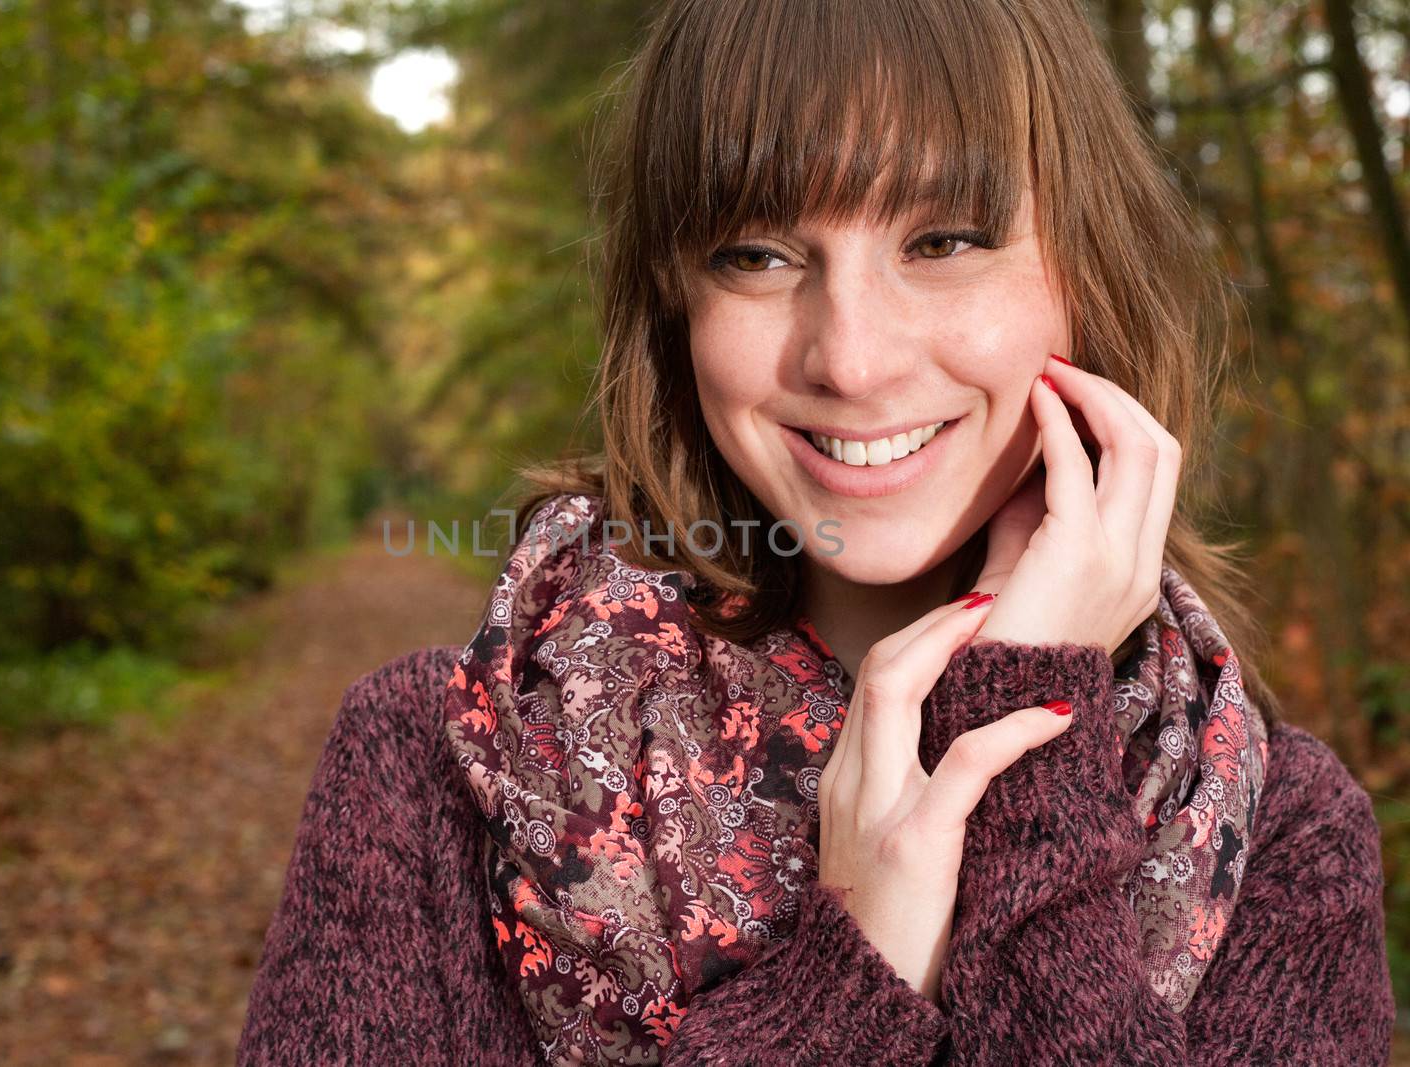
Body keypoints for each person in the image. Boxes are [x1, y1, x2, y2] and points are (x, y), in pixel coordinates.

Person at [236, 1, 1397, 1064]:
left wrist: (1023, 751)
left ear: (1092, 268)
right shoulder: (436, 767)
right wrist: (854, 982)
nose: (849, 357)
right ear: (675, 302)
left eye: (943, 240)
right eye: (758, 254)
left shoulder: (1276, 837)